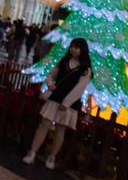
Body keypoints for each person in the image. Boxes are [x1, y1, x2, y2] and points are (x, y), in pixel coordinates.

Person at [23, 37, 93, 169]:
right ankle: (32, 153)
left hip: (70, 104)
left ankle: (51, 157)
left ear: (82, 50)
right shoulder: (64, 61)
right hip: (56, 97)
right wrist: (49, 84)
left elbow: (79, 89)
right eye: (72, 46)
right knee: (44, 124)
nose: (73, 49)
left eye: (77, 47)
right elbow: (51, 75)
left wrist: (66, 103)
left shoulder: (86, 69)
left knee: (61, 130)